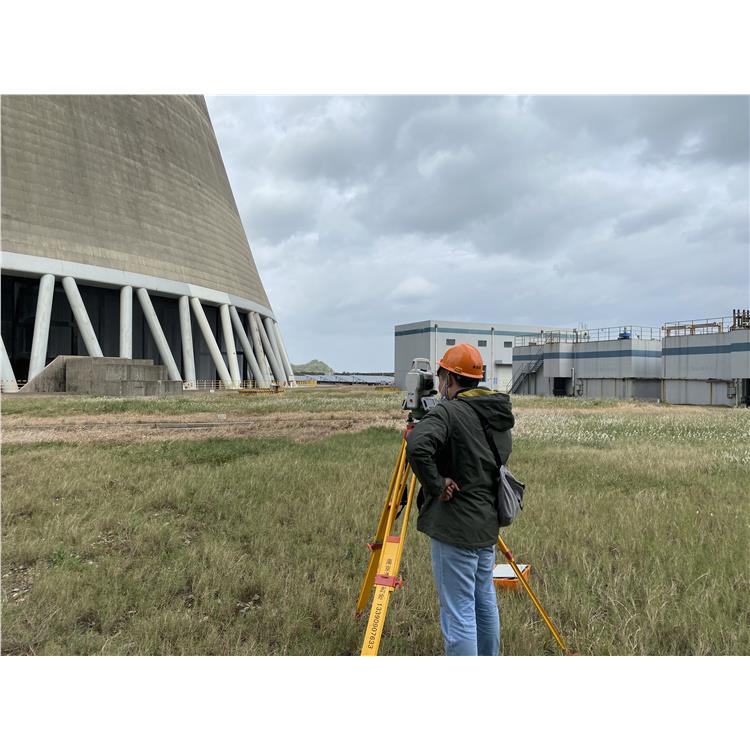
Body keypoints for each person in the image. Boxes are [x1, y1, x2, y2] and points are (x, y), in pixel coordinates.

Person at [405, 343, 514, 656]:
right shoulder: (496, 412)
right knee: (484, 601)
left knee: (459, 612)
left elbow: (417, 447)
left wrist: (437, 484)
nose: (439, 386)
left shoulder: (448, 411)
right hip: (485, 525)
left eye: (441, 379)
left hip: (455, 528)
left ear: (450, 379)